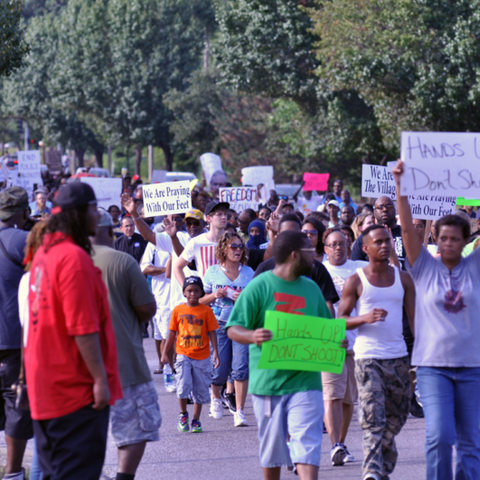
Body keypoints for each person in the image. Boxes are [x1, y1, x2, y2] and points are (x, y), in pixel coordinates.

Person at [226, 230, 347, 480]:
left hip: (306, 382)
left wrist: (336, 339)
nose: (314, 255)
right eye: (308, 251)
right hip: (268, 384)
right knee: (272, 449)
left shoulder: (312, 289)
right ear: (294, 255)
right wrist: (252, 336)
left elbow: (325, 330)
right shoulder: (260, 286)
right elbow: (233, 328)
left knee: (307, 443)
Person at [25, 182, 122, 480]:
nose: (98, 214)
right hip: (74, 389)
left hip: (48, 389)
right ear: (79, 213)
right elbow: (82, 328)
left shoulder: (45, 253)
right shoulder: (72, 258)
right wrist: (99, 380)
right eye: (94, 208)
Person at [393, 160, 480, 480]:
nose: (448, 243)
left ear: (466, 241)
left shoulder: (475, 268)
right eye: (442, 238)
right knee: (440, 437)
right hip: (433, 368)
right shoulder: (424, 268)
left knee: (472, 442)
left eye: (455, 238)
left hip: (473, 368)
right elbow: (405, 228)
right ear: (436, 239)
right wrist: (401, 186)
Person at [338, 224, 415, 480]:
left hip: (399, 357)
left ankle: (382, 465)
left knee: (397, 417)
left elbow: (416, 323)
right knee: (373, 419)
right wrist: (364, 318)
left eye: (387, 241)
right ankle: (371, 471)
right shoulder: (356, 280)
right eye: (378, 242)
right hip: (368, 357)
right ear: (365, 248)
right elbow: (341, 319)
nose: (384, 245)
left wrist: (424, 355)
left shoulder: (403, 278)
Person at [91, 209, 161, 480]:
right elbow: (146, 308)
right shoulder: (122, 261)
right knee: (134, 429)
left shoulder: (60, 262)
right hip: (123, 363)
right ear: (111, 232)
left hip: (76, 368)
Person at [322, 228, 368, 466]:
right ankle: (335, 445)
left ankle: (341, 441)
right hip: (328, 344)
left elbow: (395, 269)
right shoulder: (319, 271)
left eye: (342, 244)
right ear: (325, 248)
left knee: (349, 400)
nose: (338, 248)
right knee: (332, 396)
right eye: (333, 244)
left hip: (356, 343)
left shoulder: (360, 268)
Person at [201, 232, 255, 427]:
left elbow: (256, 300)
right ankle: (215, 397)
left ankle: (239, 411)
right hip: (219, 326)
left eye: (240, 247)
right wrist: (215, 294)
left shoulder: (249, 272)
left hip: (242, 325)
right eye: (233, 247)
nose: (238, 250)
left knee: (240, 369)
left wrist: (245, 298)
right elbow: (199, 300)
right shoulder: (212, 272)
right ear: (224, 249)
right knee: (219, 371)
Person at [0, 186, 33, 480]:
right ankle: (12, 474)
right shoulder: (23, 240)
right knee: (17, 405)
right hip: (12, 341)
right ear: (24, 212)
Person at [161, 276, 220, 433]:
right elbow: (172, 332)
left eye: (196, 290)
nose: (193, 293)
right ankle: (183, 414)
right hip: (183, 354)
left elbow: (212, 332)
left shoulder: (206, 311)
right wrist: (164, 351)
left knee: (200, 390)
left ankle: (196, 420)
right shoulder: (178, 310)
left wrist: (216, 353)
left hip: (202, 357)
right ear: (184, 293)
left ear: (201, 292)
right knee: (182, 385)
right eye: (189, 290)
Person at [254, 213, 339, 318]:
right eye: (286, 233)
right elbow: (244, 318)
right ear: (278, 235)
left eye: (294, 233)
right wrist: (254, 334)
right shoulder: (264, 270)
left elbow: (327, 306)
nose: (290, 238)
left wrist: (330, 331)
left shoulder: (316, 270)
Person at [174, 201, 229, 283]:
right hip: (206, 294)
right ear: (208, 218)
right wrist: (186, 290)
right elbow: (177, 267)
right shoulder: (196, 242)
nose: (224, 217)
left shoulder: (234, 241)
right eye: (219, 214)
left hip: (229, 294)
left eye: (225, 214)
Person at [140, 232, 171, 375]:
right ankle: (163, 364)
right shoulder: (155, 241)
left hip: (182, 295)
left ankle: (170, 369)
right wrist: (168, 269)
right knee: (159, 334)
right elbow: (145, 268)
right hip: (161, 296)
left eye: (178, 218)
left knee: (169, 335)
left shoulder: (186, 237)